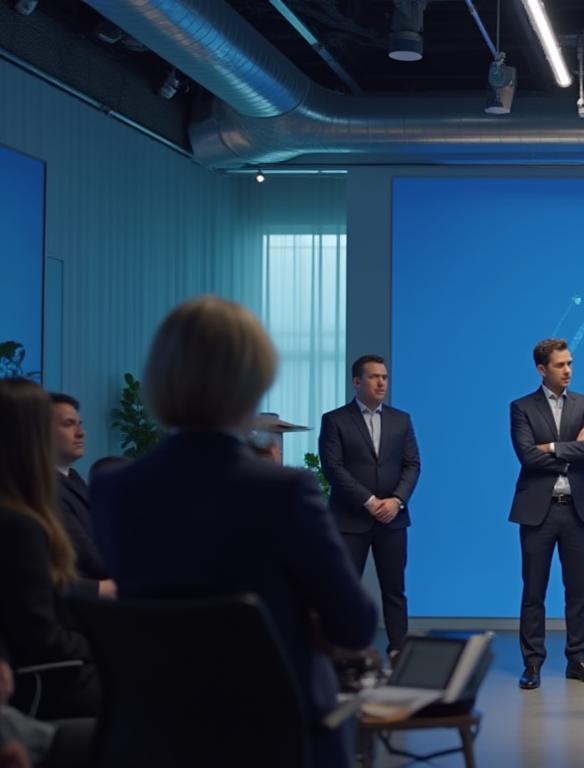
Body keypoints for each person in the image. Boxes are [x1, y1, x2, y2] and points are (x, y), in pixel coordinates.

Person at [91, 297, 377, 768]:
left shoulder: (113, 489)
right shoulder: (284, 491)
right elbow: (353, 624)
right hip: (276, 735)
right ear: (255, 379)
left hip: (155, 735)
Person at [508, 339, 584, 690]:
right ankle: (532, 664)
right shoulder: (521, 407)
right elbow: (527, 456)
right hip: (539, 511)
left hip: (577, 510)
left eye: (570, 363)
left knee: (578, 590)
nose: (568, 370)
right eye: (560, 365)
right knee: (534, 590)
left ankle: (577, 660)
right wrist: (572, 450)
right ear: (541, 369)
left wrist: (550, 447)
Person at [0, 378, 100, 721]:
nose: (78, 432)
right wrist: (110, 640)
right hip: (52, 682)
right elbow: (43, 640)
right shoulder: (20, 524)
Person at [319, 354, 421, 658]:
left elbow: (412, 464)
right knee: (346, 589)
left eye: (384, 377)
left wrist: (397, 501)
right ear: (357, 381)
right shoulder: (335, 420)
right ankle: (344, 651)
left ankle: (398, 650)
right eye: (374, 377)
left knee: (395, 590)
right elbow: (333, 468)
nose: (381, 383)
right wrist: (369, 501)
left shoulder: (401, 420)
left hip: (393, 518)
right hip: (350, 519)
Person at [48, 393, 115, 601]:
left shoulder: (73, 477)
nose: (81, 433)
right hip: (78, 600)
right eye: (69, 424)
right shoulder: (44, 486)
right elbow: (85, 554)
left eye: (80, 424)